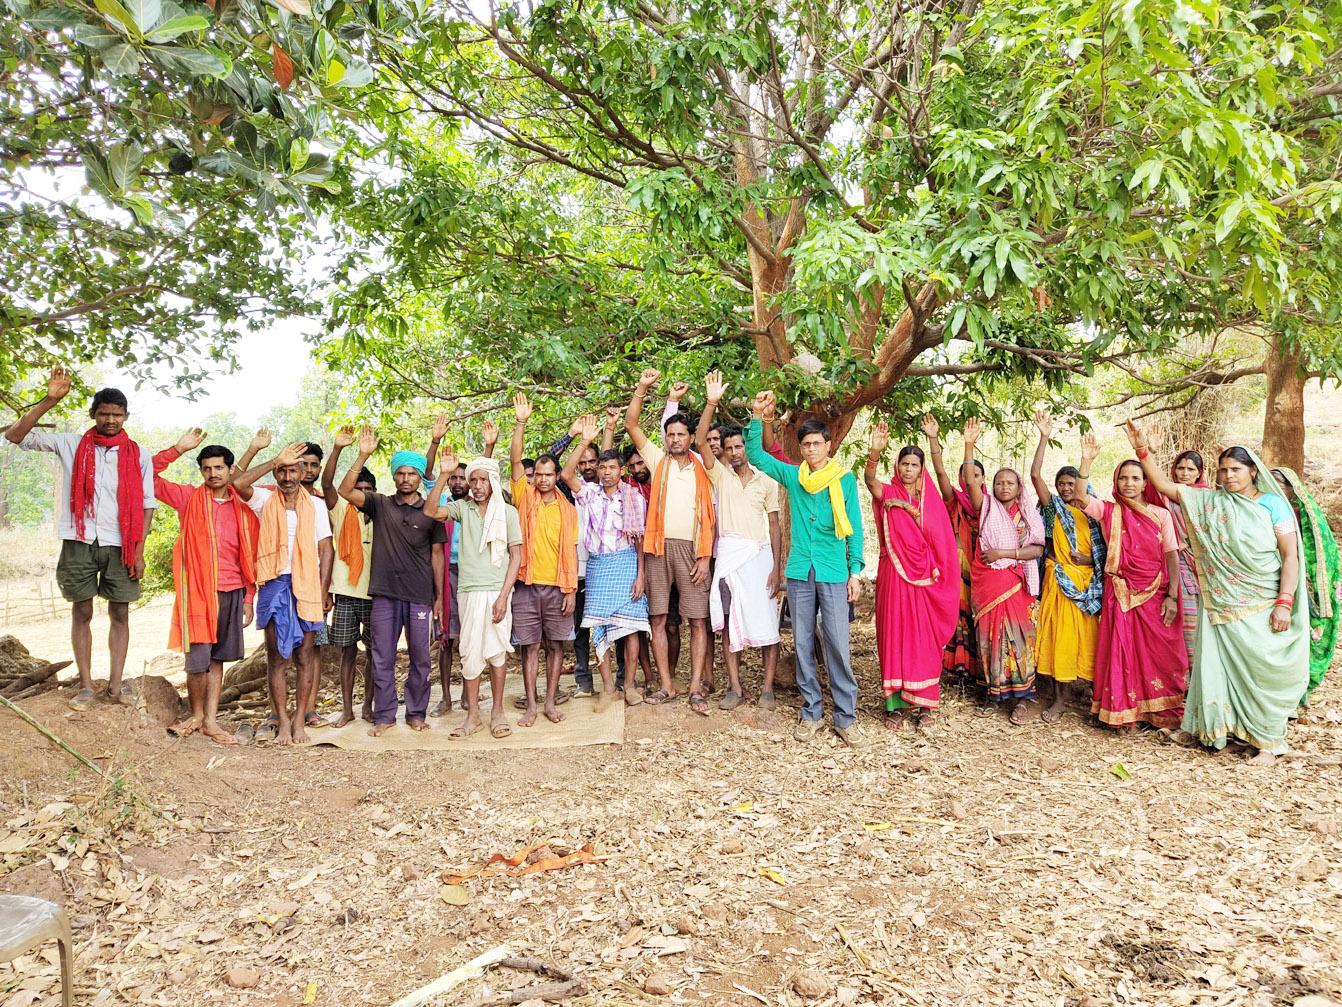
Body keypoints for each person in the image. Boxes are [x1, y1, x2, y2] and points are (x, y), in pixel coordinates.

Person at [1127, 424, 1309, 765]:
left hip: (1263, 602)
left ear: (1253, 470)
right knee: (1222, 670)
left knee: (1260, 670)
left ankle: (1269, 742)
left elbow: (1290, 557)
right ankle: (1228, 734)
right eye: (1223, 470)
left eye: (1236, 469)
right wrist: (1142, 452)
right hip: (1222, 604)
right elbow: (1167, 487)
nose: (1228, 476)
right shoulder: (1212, 501)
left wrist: (1285, 603)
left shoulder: (1273, 505)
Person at [4, 368, 157, 710]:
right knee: (81, 610)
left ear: (126, 416)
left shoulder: (139, 455)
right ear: (93, 414)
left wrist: (139, 550)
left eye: (117, 415)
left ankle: (117, 686)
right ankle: (86, 686)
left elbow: (147, 506)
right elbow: (16, 436)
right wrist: (51, 399)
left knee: (120, 612)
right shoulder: (71, 443)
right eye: (104, 414)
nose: (110, 420)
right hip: (78, 538)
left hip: (122, 544)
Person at [746, 391, 866, 747]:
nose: (812, 449)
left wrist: (855, 571)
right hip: (800, 571)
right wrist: (757, 416)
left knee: (837, 646)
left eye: (817, 443)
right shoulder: (793, 476)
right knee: (801, 643)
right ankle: (811, 713)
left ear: (828, 445)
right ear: (800, 448)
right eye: (807, 444)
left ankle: (846, 718)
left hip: (832, 571)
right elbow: (755, 455)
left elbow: (855, 528)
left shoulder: (843, 480)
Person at [338, 427, 449, 737]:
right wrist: (362, 455)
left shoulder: (431, 511)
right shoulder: (379, 504)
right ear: (394, 476)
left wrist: (439, 596)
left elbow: (437, 556)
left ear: (418, 478)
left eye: (412, 473)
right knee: (381, 656)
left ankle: (415, 714)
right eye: (400, 473)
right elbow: (346, 491)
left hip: (419, 595)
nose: (405, 478)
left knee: (420, 659)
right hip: (385, 595)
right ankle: (385, 715)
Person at [152, 429, 257, 744]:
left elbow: (248, 554)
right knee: (197, 660)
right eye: (207, 468)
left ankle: (210, 720)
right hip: (198, 592)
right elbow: (148, 475)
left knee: (217, 659)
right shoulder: (188, 498)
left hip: (234, 590)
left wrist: (249, 598)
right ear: (201, 471)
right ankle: (195, 715)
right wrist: (178, 448)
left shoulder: (244, 503)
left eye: (219, 468)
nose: (213, 474)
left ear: (230, 469)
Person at [1071, 459, 1187, 733]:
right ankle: (1123, 713)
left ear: (1146, 483)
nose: (1129, 483)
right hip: (1120, 591)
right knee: (1122, 650)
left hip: (1156, 591)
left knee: (1160, 653)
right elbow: (1079, 496)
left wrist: (1172, 595)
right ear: (1116, 482)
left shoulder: (1161, 514)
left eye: (1136, 478)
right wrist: (1087, 461)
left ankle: (1159, 713)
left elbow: (1171, 554)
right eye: (1124, 478)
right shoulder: (1109, 511)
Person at [624, 369, 717, 707]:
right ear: (665, 438)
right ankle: (667, 685)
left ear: (691, 438)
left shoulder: (703, 466)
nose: (675, 439)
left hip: (694, 551)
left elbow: (709, 519)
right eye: (671, 434)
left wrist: (705, 557)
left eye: (681, 434)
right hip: (657, 549)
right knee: (658, 618)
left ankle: (694, 686)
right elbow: (632, 424)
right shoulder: (658, 460)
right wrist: (642, 387)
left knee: (696, 620)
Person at [232, 441, 333, 745]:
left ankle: (300, 720)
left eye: (293, 470)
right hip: (275, 583)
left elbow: (325, 549)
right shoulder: (264, 499)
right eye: (282, 471)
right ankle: (284, 723)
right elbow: (238, 482)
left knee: (305, 656)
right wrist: (274, 459)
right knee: (277, 658)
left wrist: (324, 589)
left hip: (308, 585)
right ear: (276, 473)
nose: (287, 477)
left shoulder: (315, 505)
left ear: (304, 472)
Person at [864, 422, 959, 731]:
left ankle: (924, 705)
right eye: (904, 463)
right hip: (894, 572)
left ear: (921, 469)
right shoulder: (887, 489)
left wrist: (907, 507)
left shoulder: (929, 500)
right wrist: (874, 452)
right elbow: (869, 480)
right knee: (894, 633)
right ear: (898, 465)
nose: (907, 469)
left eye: (914, 465)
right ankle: (894, 706)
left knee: (923, 637)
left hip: (924, 577)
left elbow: (941, 540)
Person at [697, 372, 782, 712]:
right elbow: (702, 439)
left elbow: (774, 526)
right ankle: (735, 687)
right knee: (728, 621)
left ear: (749, 447)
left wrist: (777, 568)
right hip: (729, 558)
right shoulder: (719, 475)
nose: (733, 452)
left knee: (767, 624)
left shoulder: (766, 480)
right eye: (729, 447)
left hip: (759, 559)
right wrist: (711, 401)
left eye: (738, 446)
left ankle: (767, 688)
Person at [424, 449, 523, 739]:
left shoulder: (507, 512)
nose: (478, 485)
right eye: (473, 480)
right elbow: (430, 511)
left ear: (493, 481)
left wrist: (504, 595)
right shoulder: (461, 509)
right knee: (469, 651)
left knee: (497, 651)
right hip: (467, 590)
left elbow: (515, 557)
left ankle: (498, 713)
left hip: (496, 591)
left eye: (483, 480)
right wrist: (443, 474)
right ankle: (473, 717)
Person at [509, 393, 582, 726]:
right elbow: (513, 462)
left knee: (556, 646)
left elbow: (571, 550)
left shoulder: (568, 509)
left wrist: (570, 590)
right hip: (526, 585)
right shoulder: (525, 499)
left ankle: (551, 703)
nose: (542, 479)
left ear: (556, 478)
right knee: (531, 647)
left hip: (558, 587)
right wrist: (520, 422)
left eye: (548, 475)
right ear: (532, 477)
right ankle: (531, 707)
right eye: (537, 474)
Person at [1027, 413, 1105, 723]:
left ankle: (1092, 697)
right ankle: (1058, 699)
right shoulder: (1054, 508)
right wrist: (1044, 437)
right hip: (1058, 582)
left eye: (1071, 483)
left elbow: (1108, 549)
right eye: (1061, 484)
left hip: (1087, 586)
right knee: (1059, 637)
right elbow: (1035, 476)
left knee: (1088, 640)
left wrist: (1092, 561)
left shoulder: (1095, 511)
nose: (1065, 487)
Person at [966, 453, 1045, 724]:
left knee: (1021, 640)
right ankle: (992, 694)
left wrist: (1004, 552)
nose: (1004, 487)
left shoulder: (1029, 515)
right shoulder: (986, 507)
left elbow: (1036, 549)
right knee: (989, 639)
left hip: (1018, 584)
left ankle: (1023, 699)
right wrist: (969, 445)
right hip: (989, 584)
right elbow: (969, 481)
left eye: (1010, 483)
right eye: (999, 482)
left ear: (1018, 487)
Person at [921, 415, 984, 689]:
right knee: (955, 618)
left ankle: (978, 672)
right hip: (955, 572)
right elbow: (941, 474)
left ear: (983, 479)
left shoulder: (991, 507)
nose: (970, 479)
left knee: (976, 620)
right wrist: (933, 439)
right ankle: (955, 670)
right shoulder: (953, 501)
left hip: (983, 574)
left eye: (976, 475)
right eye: (967, 475)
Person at [321, 426, 377, 727]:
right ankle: (347, 709)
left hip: (375, 594)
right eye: (359, 490)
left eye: (369, 491)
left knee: (373, 654)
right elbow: (328, 483)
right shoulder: (343, 511)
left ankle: (368, 706)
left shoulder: (382, 514)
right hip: (344, 592)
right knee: (347, 652)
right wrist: (340, 449)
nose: (363, 496)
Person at [1271, 468, 1338, 707]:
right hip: (1270, 581)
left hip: (1302, 584)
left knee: (1302, 633)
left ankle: (1300, 689)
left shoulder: (1304, 515)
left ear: (1291, 490)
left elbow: (1318, 552)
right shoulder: (1261, 510)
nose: (1275, 489)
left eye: (1279, 485)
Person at [1143, 447, 1209, 667]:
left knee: (1201, 624)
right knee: (1179, 623)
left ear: (1199, 473)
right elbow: (1149, 490)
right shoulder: (1166, 497)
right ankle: (1182, 679)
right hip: (1173, 565)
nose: (1184, 473)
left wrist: (1189, 542)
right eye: (1180, 468)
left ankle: (1200, 677)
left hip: (1203, 568)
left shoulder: (1206, 496)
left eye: (1191, 469)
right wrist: (1150, 450)